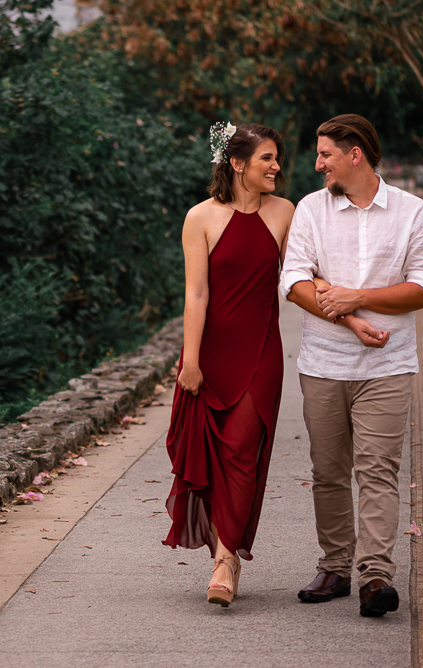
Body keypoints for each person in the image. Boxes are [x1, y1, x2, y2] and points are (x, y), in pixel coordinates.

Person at [279, 114, 423, 617]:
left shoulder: (413, 212)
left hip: (388, 366)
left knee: (377, 471)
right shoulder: (311, 209)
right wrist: (350, 315)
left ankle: (375, 577)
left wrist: (354, 294)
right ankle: (335, 568)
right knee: (328, 472)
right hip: (323, 363)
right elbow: (294, 280)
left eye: (326, 153)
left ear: (356, 154)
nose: (317, 163)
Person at [163, 122, 293, 608]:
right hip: (209, 352)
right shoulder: (200, 217)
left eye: (277, 158)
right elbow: (196, 293)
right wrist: (190, 360)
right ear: (237, 163)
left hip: (262, 351)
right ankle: (226, 549)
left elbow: (302, 273)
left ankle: (225, 558)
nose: (276, 166)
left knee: (241, 448)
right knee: (212, 459)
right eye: (267, 158)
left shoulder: (285, 213)